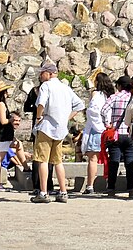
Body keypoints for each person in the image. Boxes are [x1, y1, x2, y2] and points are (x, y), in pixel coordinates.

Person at [30, 62, 85, 204]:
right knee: (57, 161)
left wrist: (38, 117)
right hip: (60, 128)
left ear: (48, 73)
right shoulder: (65, 88)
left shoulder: (46, 86)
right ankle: (63, 191)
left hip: (47, 126)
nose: (40, 76)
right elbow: (80, 105)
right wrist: (65, 117)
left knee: (42, 159)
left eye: (42, 73)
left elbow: (41, 104)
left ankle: (43, 192)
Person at [101, 75, 133, 196]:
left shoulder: (114, 97)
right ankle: (131, 188)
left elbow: (103, 110)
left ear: (119, 86)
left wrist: (107, 123)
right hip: (129, 133)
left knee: (114, 162)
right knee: (130, 162)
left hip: (115, 134)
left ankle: (111, 188)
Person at [82, 72, 115, 195]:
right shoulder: (110, 96)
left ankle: (90, 185)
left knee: (93, 159)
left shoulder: (96, 95)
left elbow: (92, 111)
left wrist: (99, 126)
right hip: (108, 129)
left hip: (96, 130)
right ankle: (109, 184)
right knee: (107, 158)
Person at [24, 76, 54, 194]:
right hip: (52, 125)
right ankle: (49, 185)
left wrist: (36, 110)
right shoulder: (53, 92)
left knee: (38, 157)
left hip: (38, 124)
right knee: (50, 158)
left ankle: (37, 185)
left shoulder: (35, 91)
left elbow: (26, 107)